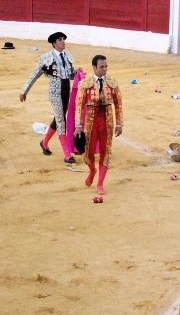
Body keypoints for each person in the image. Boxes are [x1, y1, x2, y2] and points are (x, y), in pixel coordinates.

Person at [20, 31, 77, 164]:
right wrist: (24, 91)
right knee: (61, 120)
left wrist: (77, 73)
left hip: (66, 89)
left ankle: (44, 143)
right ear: (54, 43)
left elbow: (70, 76)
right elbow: (35, 74)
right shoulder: (46, 58)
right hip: (55, 91)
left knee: (58, 119)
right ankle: (67, 153)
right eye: (60, 40)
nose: (63, 41)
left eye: (64, 39)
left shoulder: (68, 56)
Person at [75, 54, 123, 195]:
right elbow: (79, 105)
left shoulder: (113, 82)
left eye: (106, 66)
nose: (105, 69)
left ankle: (100, 184)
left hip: (107, 121)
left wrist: (119, 124)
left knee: (105, 152)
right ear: (94, 67)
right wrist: (78, 125)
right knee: (87, 153)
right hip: (91, 121)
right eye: (102, 67)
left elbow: (119, 104)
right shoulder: (85, 83)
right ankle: (92, 170)